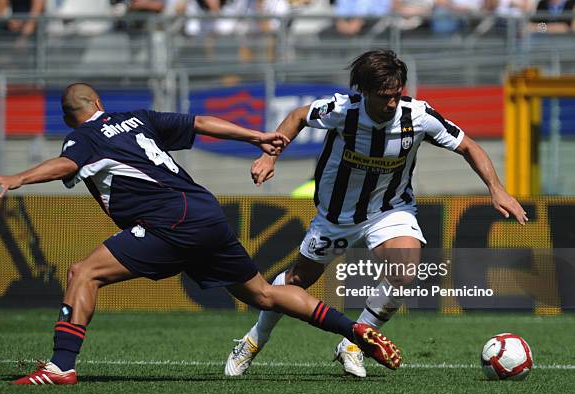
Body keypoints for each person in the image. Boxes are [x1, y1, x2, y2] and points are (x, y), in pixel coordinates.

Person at [0, 83, 401, 385]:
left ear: (69, 116)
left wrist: (17, 177)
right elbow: (201, 123)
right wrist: (256, 135)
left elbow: (66, 166)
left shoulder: (82, 137)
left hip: (169, 220)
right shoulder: (135, 118)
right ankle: (354, 330)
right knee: (264, 294)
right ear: (100, 102)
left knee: (83, 273)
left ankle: (60, 366)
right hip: (204, 210)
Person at [224, 49, 528, 377]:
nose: (393, 103)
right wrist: (271, 156)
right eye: (385, 97)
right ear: (365, 91)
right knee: (297, 281)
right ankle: (254, 340)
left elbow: (468, 145)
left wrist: (496, 188)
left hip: (389, 209)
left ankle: (354, 343)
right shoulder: (343, 110)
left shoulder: (418, 116)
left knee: (404, 271)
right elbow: (298, 115)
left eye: (397, 94)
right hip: (336, 216)